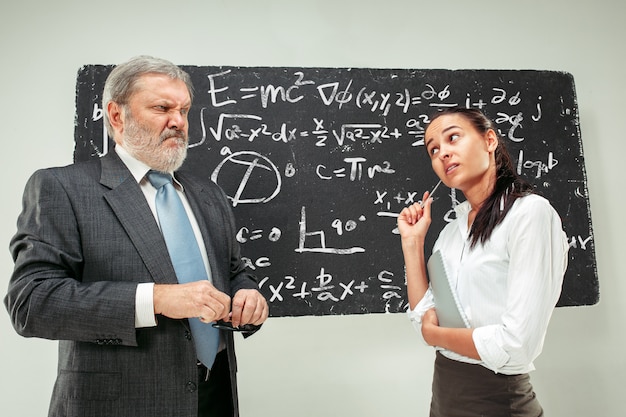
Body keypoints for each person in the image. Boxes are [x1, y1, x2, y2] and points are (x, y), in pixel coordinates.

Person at [4, 55, 269, 417]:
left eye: (184, 110)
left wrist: (247, 293)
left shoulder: (208, 193)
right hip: (120, 403)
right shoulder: (62, 187)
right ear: (117, 116)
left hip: (214, 394)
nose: (178, 121)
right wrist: (156, 299)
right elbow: (31, 303)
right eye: (162, 108)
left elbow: (235, 270)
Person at [397, 107, 568, 416]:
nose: (443, 154)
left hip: (499, 402)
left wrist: (436, 336)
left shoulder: (529, 214)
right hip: (444, 400)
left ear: (489, 140)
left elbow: (516, 344)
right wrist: (412, 243)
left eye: (453, 138)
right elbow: (424, 315)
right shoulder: (451, 232)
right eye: (434, 150)